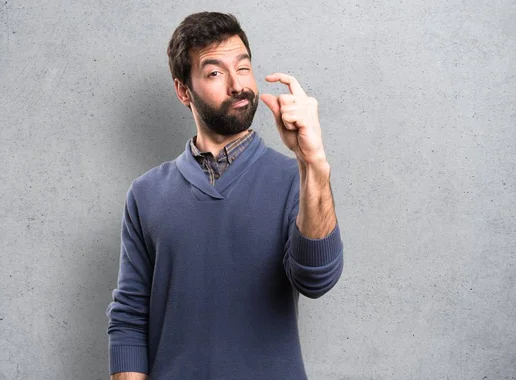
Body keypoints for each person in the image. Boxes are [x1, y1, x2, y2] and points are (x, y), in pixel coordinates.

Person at [106, 11, 344, 380]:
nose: (238, 85)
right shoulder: (146, 193)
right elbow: (129, 317)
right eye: (215, 73)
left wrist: (313, 161)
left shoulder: (295, 179)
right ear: (184, 90)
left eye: (244, 68)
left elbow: (317, 280)